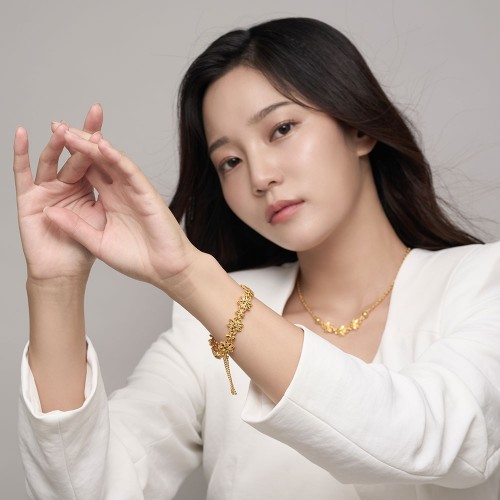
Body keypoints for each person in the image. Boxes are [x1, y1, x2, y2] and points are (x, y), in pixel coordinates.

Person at [14, 17, 500, 500]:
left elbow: (428, 439)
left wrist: (189, 275)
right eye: (230, 161)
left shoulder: (482, 283)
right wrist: (55, 286)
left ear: (357, 128)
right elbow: (89, 489)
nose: (260, 176)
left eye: (282, 129)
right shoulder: (201, 330)